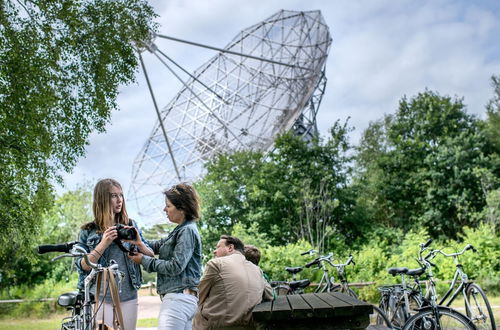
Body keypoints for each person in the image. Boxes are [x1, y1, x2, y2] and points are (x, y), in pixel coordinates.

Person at [75, 178, 153, 330]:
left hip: (128, 294)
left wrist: (139, 244)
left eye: (121, 195)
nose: (119, 200)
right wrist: (104, 242)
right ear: (102, 199)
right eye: (113, 196)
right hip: (99, 296)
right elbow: (83, 266)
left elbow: (149, 256)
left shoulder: (130, 224)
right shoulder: (88, 231)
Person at [128, 183, 202, 330]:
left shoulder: (187, 231)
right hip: (183, 299)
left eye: (168, 206)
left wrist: (143, 260)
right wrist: (137, 240)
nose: (164, 210)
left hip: (178, 300)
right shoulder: (179, 230)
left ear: (182, 208)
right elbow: (156, 246)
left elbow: (176, 266)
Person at [193, 236, 273, 330]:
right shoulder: (257, 270)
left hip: (218, 326)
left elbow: (198, 297)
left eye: (218, 247)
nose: (214, 251)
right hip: (250, 326)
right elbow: (270, 296)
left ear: (230, 247)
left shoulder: (216, 264)